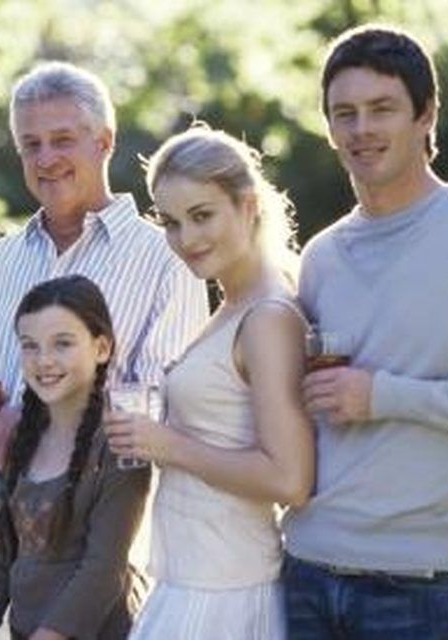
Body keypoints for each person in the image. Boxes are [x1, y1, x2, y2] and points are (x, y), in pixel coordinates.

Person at [0, 61, 208, 585]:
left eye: (62, 139)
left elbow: (163, 408)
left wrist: (38, 419)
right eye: (30, 145)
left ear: (105, 141)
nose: (46, 159)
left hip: (90, 570)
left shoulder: (165, 260)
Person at [105, 125, 314, 639]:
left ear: (247, 206)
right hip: (189, 577)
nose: (187, 240)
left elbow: (290, 479)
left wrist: (168, 444)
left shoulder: (267, 317)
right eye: (172, 223)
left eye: (202, 216)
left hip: (224, 592)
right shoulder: (232, 305)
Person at [282, 25, 448, 639]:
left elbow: (368, 392)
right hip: (303, 573)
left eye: (382, 109)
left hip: (423, 586)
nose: (361, 130)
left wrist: (382, 396)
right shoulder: (322, 256)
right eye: (343, 114)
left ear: (427, 114)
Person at [0, 275, 150, 640]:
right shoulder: (19, 439)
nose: (44, 361)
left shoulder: (121, 443)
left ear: (101, 348)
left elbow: (103, 571)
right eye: (30, 346)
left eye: (63, 344)